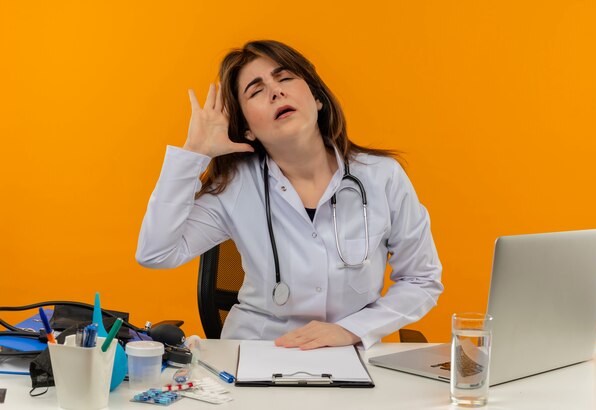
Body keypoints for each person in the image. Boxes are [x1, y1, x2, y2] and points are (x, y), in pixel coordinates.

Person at [136, 40, 443, 350]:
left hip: (348, 356)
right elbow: (156, 253)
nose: (275, 92)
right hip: (255, 353)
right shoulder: (235, 187)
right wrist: (194, 153)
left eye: (285, 79)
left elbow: (422, 279)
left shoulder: (382, 176)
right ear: (247, 130)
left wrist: (353, 330)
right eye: (256, 91)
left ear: (317, 98)